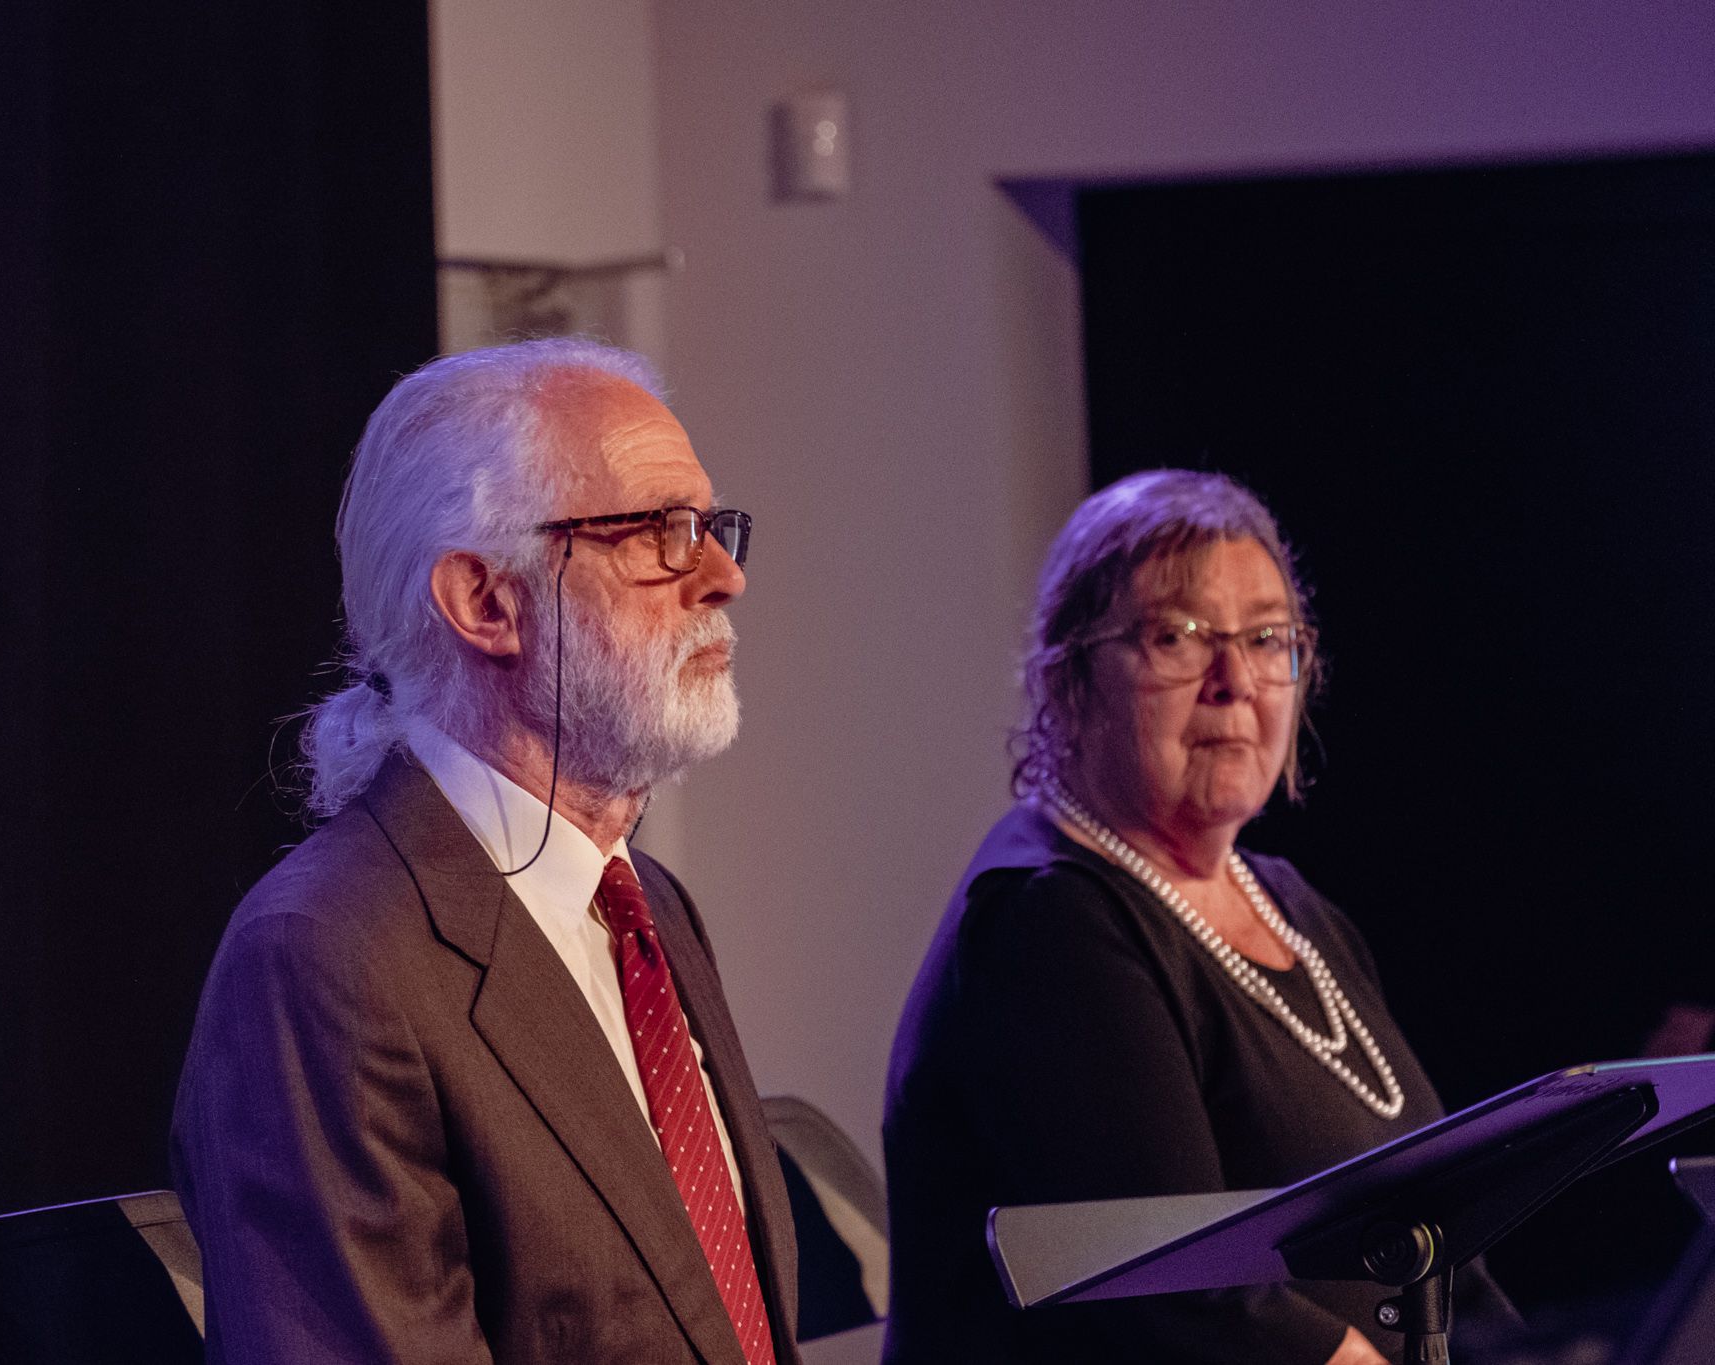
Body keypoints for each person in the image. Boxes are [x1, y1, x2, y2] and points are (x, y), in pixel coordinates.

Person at [172, 338, 800, 1364]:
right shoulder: (329, 958)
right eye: (659, 532)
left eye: (711, 527)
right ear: (485, 603)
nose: (722, 576)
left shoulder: (648, 907)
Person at [883, 470, 1509, 1363]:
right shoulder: (1047, 919)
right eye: (1176, 636)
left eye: (1266, 639)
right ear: (1070, 678)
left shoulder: (1295, 907)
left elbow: (1448, 1236)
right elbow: (1185, 1297)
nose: (1234, 680)